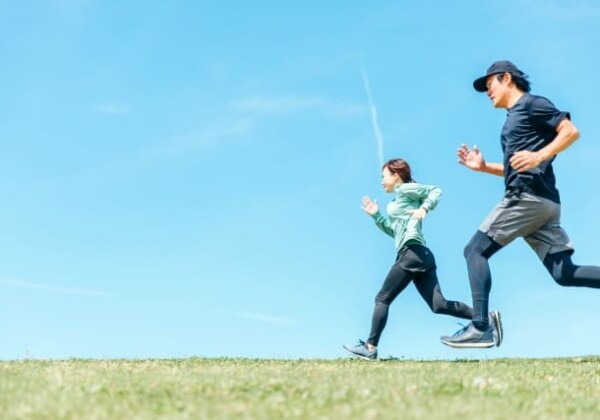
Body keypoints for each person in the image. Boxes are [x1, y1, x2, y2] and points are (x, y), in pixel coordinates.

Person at [441, 60, 600, 348]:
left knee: (474, 250)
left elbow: (570, 131)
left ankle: (481, 327)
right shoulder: (513, 120)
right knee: (563, 273)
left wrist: (539, 157)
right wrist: (482, 167)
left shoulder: (531, 104)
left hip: (526, 197)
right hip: (544, 203)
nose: (487, 92)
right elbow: (515, 166)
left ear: (506, 78)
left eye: (489, 85)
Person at [344, 158, 498, 360]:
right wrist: (377, 216)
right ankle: (484, 319)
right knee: (438, 305)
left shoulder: (405, 190)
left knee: (382, 299)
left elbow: (435, 191)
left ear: (396, 175)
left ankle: (370, 348)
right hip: (421, 255)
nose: (381, 181)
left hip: (412, 254)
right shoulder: (397, 200)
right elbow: (395, 231)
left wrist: (424, 208)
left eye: (384, 176)